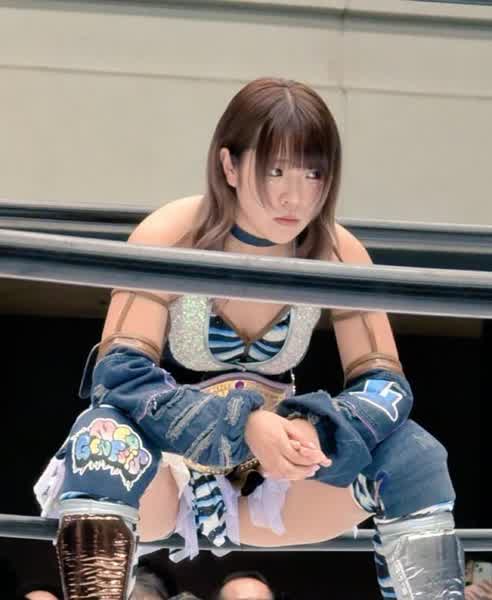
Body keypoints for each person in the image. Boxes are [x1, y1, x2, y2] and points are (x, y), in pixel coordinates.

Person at [34, 77, 465, 599]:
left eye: (313, 173)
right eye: (275, 170)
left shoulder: (335, 249)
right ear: (230, 165)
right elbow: (120, 374)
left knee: (414, 453)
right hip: (165, 478)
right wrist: (244, 425)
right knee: (103, 437)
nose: (294, 196)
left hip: (275, 481)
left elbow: (387, 386)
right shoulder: (172, 234)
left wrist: (315, 426)